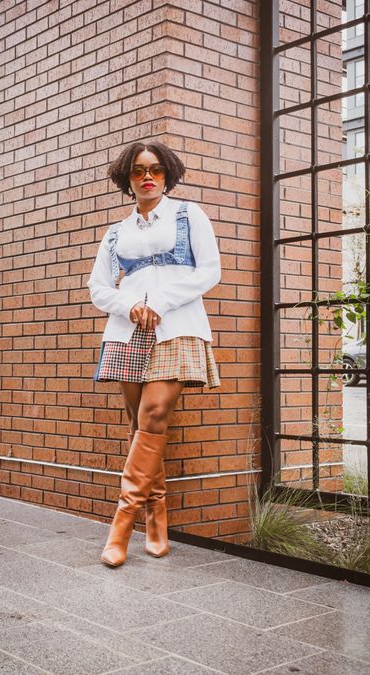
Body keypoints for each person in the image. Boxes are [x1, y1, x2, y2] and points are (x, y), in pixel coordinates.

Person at [87, 140, 221, 567]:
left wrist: (159, 304)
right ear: (127, 178)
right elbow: (98, 287)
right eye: (139, 170)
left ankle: (122, 524)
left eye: (157, 170)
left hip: (175, 328)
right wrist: (129, 305)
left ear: (168, 175)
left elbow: (209, 271)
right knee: (141, 426)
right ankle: (157, 516)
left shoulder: (188, 214)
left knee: (154, 415)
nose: (148, 176)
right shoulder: (115, 233)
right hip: (127, 333)